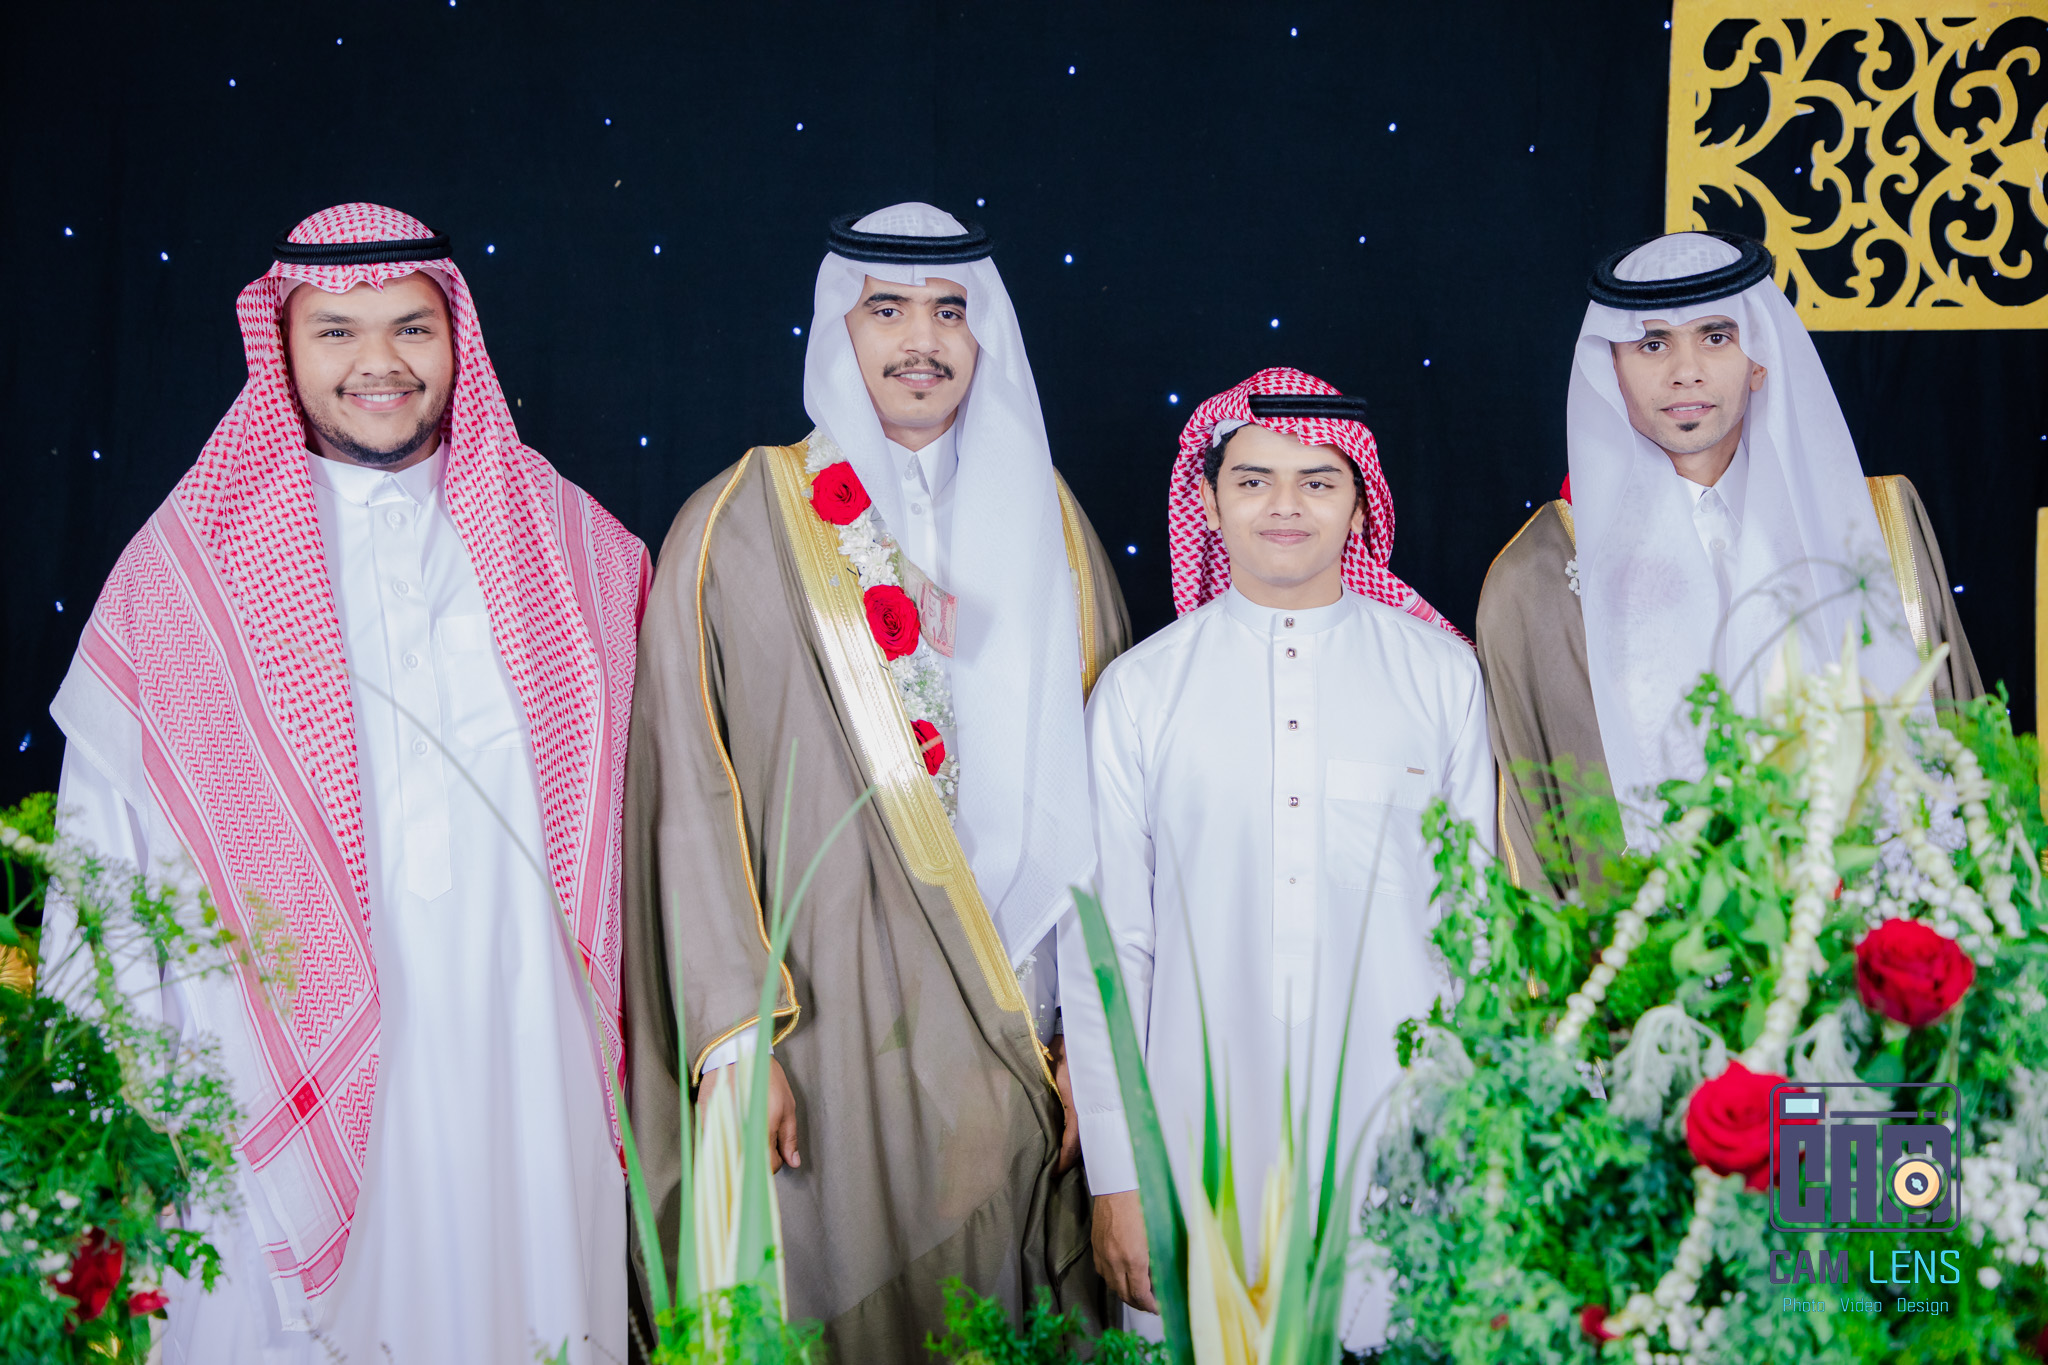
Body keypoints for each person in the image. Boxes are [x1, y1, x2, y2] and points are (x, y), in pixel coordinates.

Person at [42, 204, 647, 1362]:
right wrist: (103, 1113)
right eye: (336, 331)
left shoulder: (576, 551)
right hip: (266, 1075)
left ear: (457, 338)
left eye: (411, 327)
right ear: (280, 345)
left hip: (527, 1070)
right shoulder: (184, 577)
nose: (380, 362)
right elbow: (102, 857)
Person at [623, 203, 1129, 1356]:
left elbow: (1099, 810)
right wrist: (736, 1044)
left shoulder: (1054, 528)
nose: (921, 341)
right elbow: (690, 796)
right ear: (835, 329)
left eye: (950, 311)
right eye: (885, 309)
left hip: (1014, 1028)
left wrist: (1085, 1055)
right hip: (818, 1037)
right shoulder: (737, 520)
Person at [1058, 368, 1492, 1348]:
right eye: (1252, 481)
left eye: (1317, 481)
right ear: (1208, 504)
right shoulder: (1139, 693)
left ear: (1360, 505)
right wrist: (1118, 1178)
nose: (1285, 505)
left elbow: (1473, 934)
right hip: (1193, 1149)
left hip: (1405, 1142)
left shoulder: (1441, 676)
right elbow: (1108, 955)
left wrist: (1477, 1149)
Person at [1477, 231, 1980, 895]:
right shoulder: (1537, 576)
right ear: (1611, 369)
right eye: (1652, 344)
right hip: (1642, 951)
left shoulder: (1881, 529)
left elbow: (1970, 767)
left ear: (1760, 359)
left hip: (1874, 940)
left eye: (1716, 336)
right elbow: (1529, 847)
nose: (1685, 370)